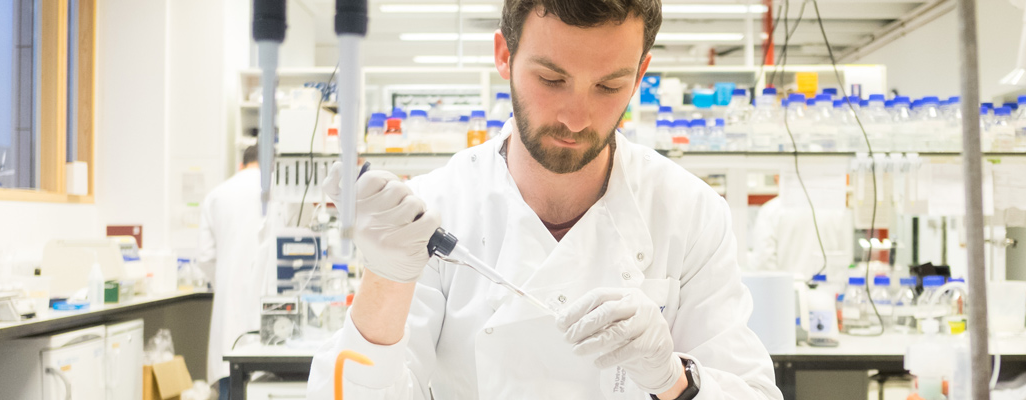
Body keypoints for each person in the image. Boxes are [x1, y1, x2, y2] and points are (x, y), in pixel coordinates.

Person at [304, 0, 779, 398]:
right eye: (551, 80)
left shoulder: (689, 214)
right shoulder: (433, 210)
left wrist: (675, 378)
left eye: (609, 86)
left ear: (640, 75)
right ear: (504, 55)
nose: (576, 118)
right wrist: (387, 277)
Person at [198, 145, 270, 399]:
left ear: (242, 165)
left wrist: (227, 283)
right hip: (269, 317)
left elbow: (205, 258)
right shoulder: (278, 192)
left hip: (229, 319)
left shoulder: (217, 195)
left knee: (231, 387)